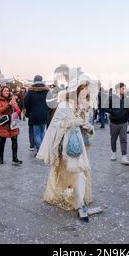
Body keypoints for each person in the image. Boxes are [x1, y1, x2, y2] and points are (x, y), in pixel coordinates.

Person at [37, 76, 95, 222]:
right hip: (68, 146)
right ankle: (79, 203)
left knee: (80, 172)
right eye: (83, 89)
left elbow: (87, 123)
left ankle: (78, 199)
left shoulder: (85, 105)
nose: (85, 92)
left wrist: (89, 128)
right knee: (74, 172)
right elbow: (56, 125)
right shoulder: (64, 105)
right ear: (76, 90)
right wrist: (73, 123)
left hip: (82, 145)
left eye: (86, 89)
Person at [106, 83, 129, 166]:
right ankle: (113, 152)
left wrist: (127, 112)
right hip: (114, 122)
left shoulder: (127, 98)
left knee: (124, 139)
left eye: (125, 88)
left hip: (124, 122)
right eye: (123, 88)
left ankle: (124, 156)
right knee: (113, 139)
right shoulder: (111, 98)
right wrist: (112, 112)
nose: (124, 90)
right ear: (118, 89)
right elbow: (105, 107)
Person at [0, 86, 22, 165]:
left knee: (14, 139)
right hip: (4, 123)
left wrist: (15, 107)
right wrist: (8, 105)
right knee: (2, 140)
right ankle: (1, 157)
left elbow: (18, 111)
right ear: (2, 92)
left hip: (13, 122)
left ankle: (15, 158)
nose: (6, 92)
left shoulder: (12, 99)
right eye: (5, 91)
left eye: (8, 91)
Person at [24, 75, 50, 153]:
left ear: (34, 81)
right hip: (45, 115)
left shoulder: (31, 91)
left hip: (34, 115)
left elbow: (26, 103)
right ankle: (43, 149)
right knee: (43, 132)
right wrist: (47, 110)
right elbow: (51, 104)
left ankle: (40, 150)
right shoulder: (47, 91)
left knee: (37, 133)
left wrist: (29, 111)